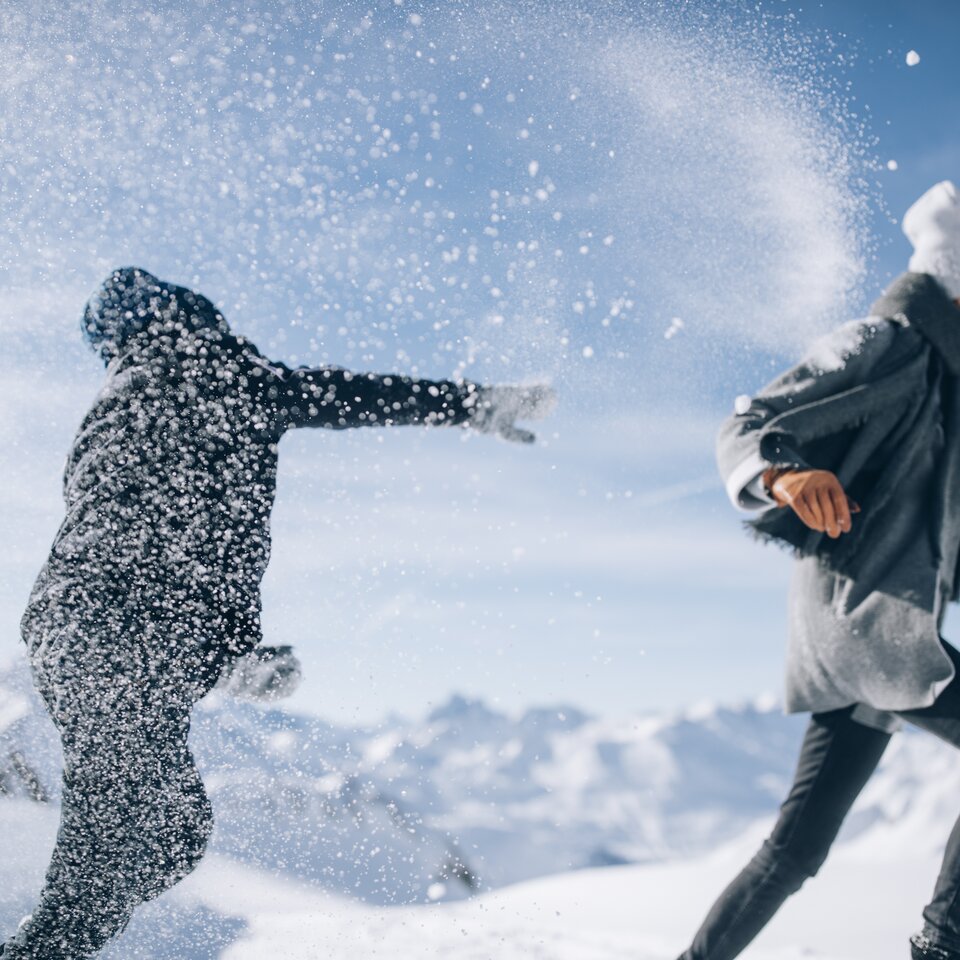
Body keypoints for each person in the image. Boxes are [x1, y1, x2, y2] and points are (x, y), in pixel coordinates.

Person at [3, 266, 554, 960]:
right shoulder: (223, 371)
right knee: (126, 852)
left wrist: (225, 651)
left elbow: (168, 527)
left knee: (164, 839)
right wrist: (469, 402)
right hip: (113, 638)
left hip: (80, 635)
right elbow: (341, 402)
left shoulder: (122, 396)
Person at [677, 180, 960, 960]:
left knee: (795, 850)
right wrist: (781, 475)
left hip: (885, 629)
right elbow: (748, 422)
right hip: (861, 623)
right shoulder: (892, 340)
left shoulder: (948, 386)